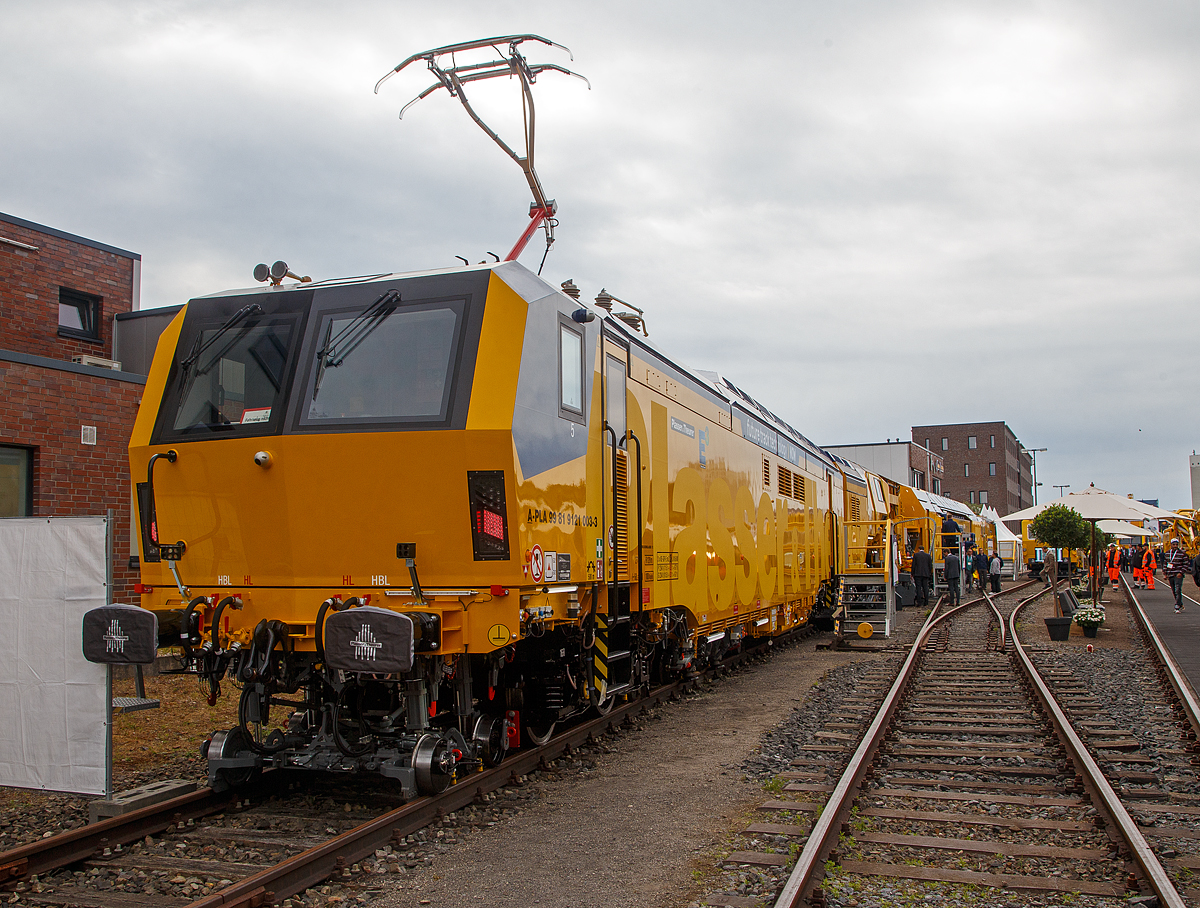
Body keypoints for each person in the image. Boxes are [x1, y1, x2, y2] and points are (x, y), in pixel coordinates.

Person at [1163, 538, 1189, 613]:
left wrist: (1181, 572)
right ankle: (1180, 603)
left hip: (1178, 574)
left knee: (1178, 589)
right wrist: (1165, 573)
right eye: (1173, 544)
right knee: (1174, 590)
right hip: (1170, 574)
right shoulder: (1167, 553)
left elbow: (1186, 564)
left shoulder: (1182, 554)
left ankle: (1177, 605)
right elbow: (1165, 564)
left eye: (1176, 545)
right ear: (1171, 545)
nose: (1175, 546)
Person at [911, 543, 933, 608]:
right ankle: (926, 602)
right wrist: (929, 573)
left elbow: (914, 565)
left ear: (918, 549)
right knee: (925, 588)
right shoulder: (928, 556)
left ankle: (919, 602)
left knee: (918, 588)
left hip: (917, 574)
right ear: (923, 549)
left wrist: (912, 573)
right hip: (925, 574)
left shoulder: (916, 555)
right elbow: (930, 565)